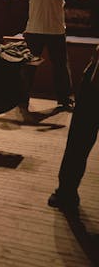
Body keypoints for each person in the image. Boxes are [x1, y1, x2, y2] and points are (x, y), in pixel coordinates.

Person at [7, 0, 88, 111]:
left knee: (60, 68)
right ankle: (22, 99)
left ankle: (65, 100)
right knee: (28, 66)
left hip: (55, 32)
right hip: (33, 31)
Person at [48, 45, 99, 212]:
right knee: (78, 142)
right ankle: (66, 192)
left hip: (93, 89)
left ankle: (66, 193)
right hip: (92, 84)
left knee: (78, 142)